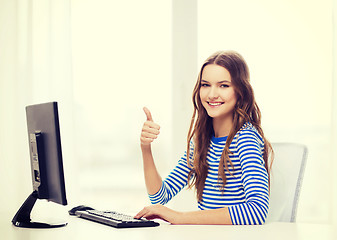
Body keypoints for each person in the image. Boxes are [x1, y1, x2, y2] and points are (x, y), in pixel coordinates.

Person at [135, 50, 273, 225]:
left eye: (223, 85)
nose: (212, 94)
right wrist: (145, 147)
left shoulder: (245, 138)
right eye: (205, 85)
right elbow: (160, 197)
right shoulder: (201, 141)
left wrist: (179, 217)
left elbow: (257, 211)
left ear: (241, 92)